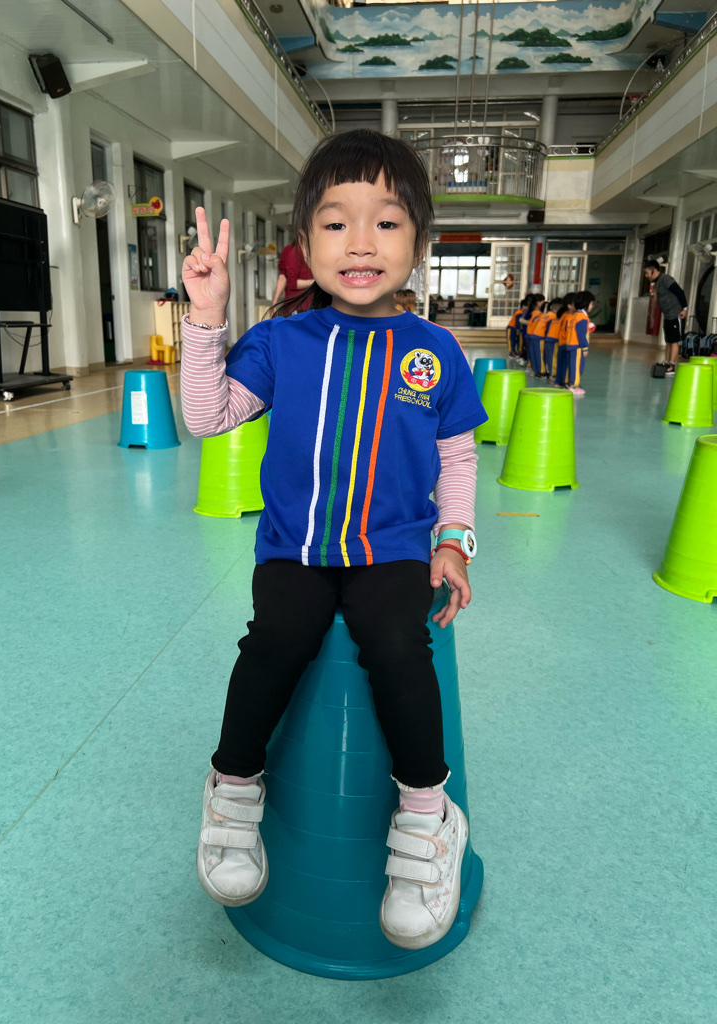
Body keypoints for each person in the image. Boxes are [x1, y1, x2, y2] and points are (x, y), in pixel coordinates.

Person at [180, 129, 488, 951]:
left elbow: (457, 456)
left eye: (386, 223)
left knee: (397, 642)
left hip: (393, 550)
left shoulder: (435, 351)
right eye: (335, 223)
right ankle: (231, 791)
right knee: (277, 637)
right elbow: (207, 418)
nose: (360, 243)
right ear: (305, 241)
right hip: (296, 548)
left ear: (418, 241)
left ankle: (427, 815)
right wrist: (205, 320)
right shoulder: (281, 343)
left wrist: (454, 541)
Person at [644, 259, 688, 375]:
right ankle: (667, 362)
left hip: (675, 313)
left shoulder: (666, 279)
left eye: (647, 273)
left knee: (674, 340)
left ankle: (672, 366)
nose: (646, 276)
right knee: (668, 340)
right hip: (668, 314)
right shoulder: (658, 282)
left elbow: (680, 292)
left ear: (653, 271)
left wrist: (685, 308)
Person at [561, 290, 595, 395]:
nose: (592, 306)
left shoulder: (574, 316)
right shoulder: (582, 317)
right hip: (577, 346)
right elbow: (581, 334)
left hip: (570, 344)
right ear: (586, 303)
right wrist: (585, 348)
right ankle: (573, 386)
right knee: (577, 367)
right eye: (592, 303)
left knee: (572, 366)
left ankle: (569, 384)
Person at [272, 239, 315, 311]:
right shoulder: (291, 250)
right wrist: (274, 302)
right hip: (297, 305)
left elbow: (283, 278)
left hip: (310, 304)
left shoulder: (318, 251)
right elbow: (286, 280)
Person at [523, 294, 546, 376]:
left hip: (530, 335)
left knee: (531, 353)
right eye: (542, 301)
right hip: (533, 335)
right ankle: (532, 368)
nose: (543, 303)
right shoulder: (537, 313)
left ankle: (530, 368)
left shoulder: (533, 312)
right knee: (535, 354)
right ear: (537, 302)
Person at [541, 297, 563, 383]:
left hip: (548, 339)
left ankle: (552, 374)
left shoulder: (552, 317)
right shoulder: (556, 317)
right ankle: (553, 376)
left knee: (550, 358)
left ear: (551, 307)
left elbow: (547, 329)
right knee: (553, 358)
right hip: (554, 340)